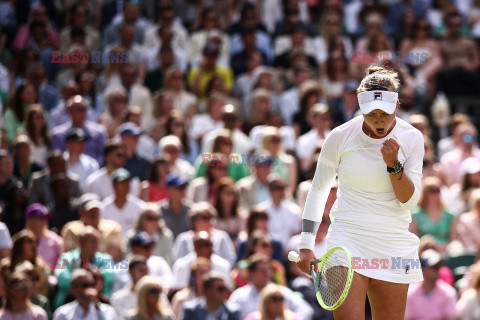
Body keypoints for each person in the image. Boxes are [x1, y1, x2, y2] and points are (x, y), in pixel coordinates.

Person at [296, 66, 425, 320]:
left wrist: (393, 164)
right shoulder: (339, 136)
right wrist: (305, 244)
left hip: (394, 245)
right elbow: (319, 189)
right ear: (360, 107)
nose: (378, 120)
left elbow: (409, 200)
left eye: (385, 113)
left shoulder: (413, 138)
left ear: (397, 106)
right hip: (346, 240)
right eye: (371, 113)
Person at [228, 254, 313, 320]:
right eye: (262, 271)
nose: (267, 274)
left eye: (269, 270)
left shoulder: (280, 292)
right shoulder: (239, 295)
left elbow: (305, 309)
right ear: (251, 273)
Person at [53, 226, 115, 308]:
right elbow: (62, 279)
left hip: (99, 301)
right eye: (92, 241)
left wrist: (93, 272)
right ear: (80, 241)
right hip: (70, 301)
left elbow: (108, 277)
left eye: (97, 241)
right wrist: (87, 279)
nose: (95, 245)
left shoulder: (106, 258)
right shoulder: (67, 257)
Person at [61, 195, 123, 260]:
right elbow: (67, 254)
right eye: (90, 210)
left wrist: (97, 263)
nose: (94, 213)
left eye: (96, 209)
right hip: (78, 267)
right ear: (81, 212)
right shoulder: (71, 229)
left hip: (108, 267)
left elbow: (117, 252)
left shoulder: (112, 227)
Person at [404, 249, 457, 320]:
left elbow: (451, 318)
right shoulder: (410, 293)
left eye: (438, 266)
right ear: (423, 269)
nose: (438, 270)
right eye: (434, 267)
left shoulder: (449, 293)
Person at [410, 176, 456, 250]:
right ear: (425, 192)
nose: (435, 193)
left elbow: (453, 239)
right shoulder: (415, 214)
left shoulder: (450, 214)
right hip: (423, 251)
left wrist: (444, 248)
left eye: (437, 190)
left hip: (446, 252)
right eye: (431, 190)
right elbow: (413, 238)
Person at [53, 269, 117, 320]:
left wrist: (97, 305)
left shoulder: (108, 311)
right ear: (73, 289)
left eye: (92, 284)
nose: (89, 288)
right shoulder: (63, 313)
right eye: (84, 285)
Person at [102, 168, 145, 237]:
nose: (125, 186)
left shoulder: (140, 206)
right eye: (121, 183)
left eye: (126, 183)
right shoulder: (104, 208)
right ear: (114, 185)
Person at [24, 203, 62, 269]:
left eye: (43, 218)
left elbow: (64, 261)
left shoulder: (55, 239)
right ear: (29, 220)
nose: (40, 222)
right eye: (37, 218)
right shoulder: (21, 239)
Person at [159, 172, 192, 239]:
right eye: (179, 187)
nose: (183, 190)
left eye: (184, 187)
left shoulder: (191, 210)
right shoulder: (158, 211)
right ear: (169, 189)